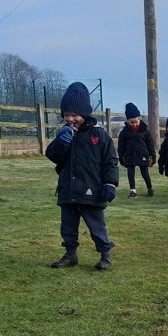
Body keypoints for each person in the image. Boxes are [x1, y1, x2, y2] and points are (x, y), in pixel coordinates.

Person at [44, 81, 119, 270]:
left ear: (85, 114)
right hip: (68, 189)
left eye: (74, 115)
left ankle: (105, 255)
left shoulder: (99, 136)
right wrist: (61, 143)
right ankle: (70, 254)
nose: (70, 119)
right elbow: (53, 156)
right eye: (66, 115)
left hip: (91, 190)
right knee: (67, 227)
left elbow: (110, 161)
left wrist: (110, 184)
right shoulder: (64, 135)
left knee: (97, 226)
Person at [117, 102, 155, 198]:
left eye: (136, 122)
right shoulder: (124, 132)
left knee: (145, 173)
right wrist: (121, 157)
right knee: (130, 174)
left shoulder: (144, 130)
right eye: (131, 122)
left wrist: (152, 155)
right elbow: (121, 145)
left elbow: (150, 144)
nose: (134, 124)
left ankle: (150, 188)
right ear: (128, 121)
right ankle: (133, 191)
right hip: (129, 155)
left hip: (143, 154)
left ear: (139, 119)